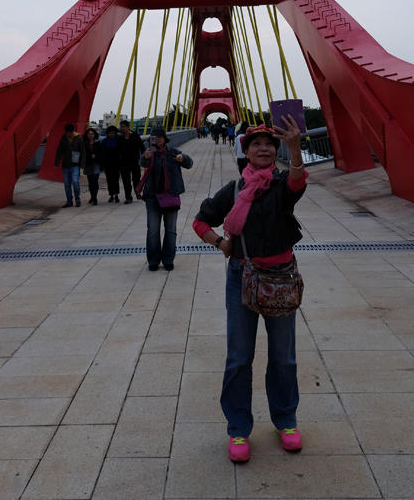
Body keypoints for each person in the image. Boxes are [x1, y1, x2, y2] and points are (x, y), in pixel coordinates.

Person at [193, 115, 308, 463]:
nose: (263, 148)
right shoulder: (233, 191)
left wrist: (295, 148)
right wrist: (220, 243)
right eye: (256, 144)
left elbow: (298, 181)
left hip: (280, 279)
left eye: (269, 144)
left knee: (283, 357)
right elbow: (200, 221)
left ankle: (286, 421)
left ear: (275, 151)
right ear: (245, 151)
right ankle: (238, 428)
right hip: (241, 277)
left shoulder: (281, 185)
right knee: (239, 357)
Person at [139, 127, 194, 271]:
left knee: (170, 230)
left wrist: (183, 158)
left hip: (170, 196)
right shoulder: (150, 153)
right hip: (152, 197)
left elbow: (189, 163)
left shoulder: (173, 152)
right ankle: (153, 260)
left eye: (159, 136)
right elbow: (142, 162)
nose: (156, 139)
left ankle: (168, 259)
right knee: (153, 230)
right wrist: (146, 157)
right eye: (153, 137)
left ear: (164, 138)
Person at [53, 123, 87, 207]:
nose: (69, 134)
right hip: (66, 165)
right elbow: (59, 151)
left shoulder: (79, 138)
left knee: (75, 181)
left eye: (70, 132)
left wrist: (82, 165)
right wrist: (56, 162)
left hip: (75, 165)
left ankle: (77, 198)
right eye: (68, 132)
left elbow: (83, 152)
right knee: (67, 184)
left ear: (73, 131)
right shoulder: (63, 138)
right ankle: (69, 201)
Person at [117, 120, 145, 203]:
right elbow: (117, 150)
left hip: (135, 162)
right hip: (123, 163)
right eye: (121, 127)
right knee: (126, 181)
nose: (122, 128)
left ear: (128, 127)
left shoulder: (135, 136)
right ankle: (128, 197)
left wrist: (144, 159)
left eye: (123, 126)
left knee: (136, 179)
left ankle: (137, 192)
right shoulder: (120, 138)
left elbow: (142, 148)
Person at [97, 125, 122, 202]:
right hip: (107, 164)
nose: (112, 134)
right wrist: (102, 164)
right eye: (110, 133)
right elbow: (102, 153)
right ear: (107, 133)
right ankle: (111, 195)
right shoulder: (104, 141)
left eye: (113, 133)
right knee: (109, 180)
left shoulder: (118, 141)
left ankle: (116, 195)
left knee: (116, 180)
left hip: (116, 164)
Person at [83, 127, 102, 206]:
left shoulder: (98, 143)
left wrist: (96, 156)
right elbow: (83, 154)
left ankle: (94, 198)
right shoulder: (84, 144)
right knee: (90, 182)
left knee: (95, 181)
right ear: (87, 135)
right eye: (89, 134)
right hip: (88, 164)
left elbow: (101, 154)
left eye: (92, 134)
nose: (90, 135)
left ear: (95, 135)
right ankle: (92, 196)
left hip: (96, 164)